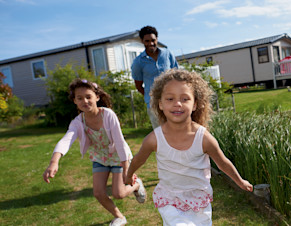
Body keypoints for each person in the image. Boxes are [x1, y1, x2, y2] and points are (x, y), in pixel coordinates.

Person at [125, 70, 253, 225]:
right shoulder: (154, 139)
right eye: (170, 98)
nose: (177, 103)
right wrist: (129, 174)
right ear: (160, 104)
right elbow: (139, 159)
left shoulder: (203, 138)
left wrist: (240, 181)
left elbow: (222, 162)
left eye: (185, 99)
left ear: (195, 105)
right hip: (170, 200)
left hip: (199, 201)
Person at [43, 79, 146, 226]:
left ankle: (137, 185)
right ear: (75, 101)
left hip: (118, 156)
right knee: (98, 193)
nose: (85, 101)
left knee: (119, 194)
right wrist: (54, 162)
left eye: (88, 96)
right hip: (100, 157)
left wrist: (126, 169)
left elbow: (120, 142)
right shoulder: (77, 122)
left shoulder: (108, 115)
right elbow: (66, 140)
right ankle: (120, 217)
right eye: (79, 98)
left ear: (97, 97)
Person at [131, 25, 179, 128]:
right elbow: (139, 86)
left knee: (177, 131)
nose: (151, 43)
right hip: (154, 105)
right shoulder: (138, 62)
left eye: (153, 40)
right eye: (147, 41)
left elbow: (177, 75)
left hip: (173, 101)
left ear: (157, 39)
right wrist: (152, 96)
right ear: (142, 41)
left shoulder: (167, 54)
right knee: (161, 135)